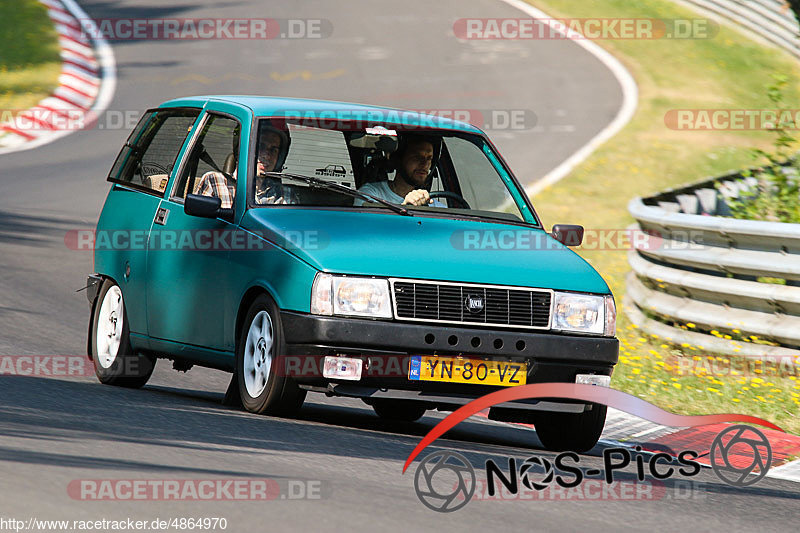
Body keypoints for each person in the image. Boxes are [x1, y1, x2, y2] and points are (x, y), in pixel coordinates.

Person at [355, 136, 444, 207]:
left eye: (429, 158)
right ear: (398, 159)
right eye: (417, 157)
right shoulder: (370, 195)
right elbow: (367, 228)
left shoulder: (434, 206)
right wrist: (406, 207)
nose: (425, 164)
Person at [254, 126, 298, 205]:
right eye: (261, 146)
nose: (267, 156)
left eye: (273, 150)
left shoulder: (286, 195)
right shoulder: (225, 187)